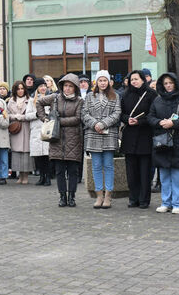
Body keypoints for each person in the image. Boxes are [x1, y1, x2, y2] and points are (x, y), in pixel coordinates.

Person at [147, 73, 179, 214]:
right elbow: (150, 117)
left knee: (177, 175)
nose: (168, 86)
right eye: (165, 83)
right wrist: (159, 122)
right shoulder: (157, 100)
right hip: (162, 141)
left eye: (170, 83)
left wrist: (172, 123)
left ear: (175, 83)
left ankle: (178, 204)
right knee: (164, 175)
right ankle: (165, 202)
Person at [36, 73, 84, 207]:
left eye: (70, 86)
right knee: (59, 171)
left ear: (75, 88)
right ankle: (62, 196)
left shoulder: (80, 101)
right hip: (56, 139)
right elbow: (39, 102)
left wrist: (58, 121)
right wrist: (44, 118)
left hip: (73, 139)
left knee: (73, 171)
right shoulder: (55, 98)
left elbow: (77, 118)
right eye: (65, 86)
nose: (67, 89)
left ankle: (72, 197)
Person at [82, 70, 120, 208]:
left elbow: (117, 113)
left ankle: (108, 196)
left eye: (105, 80)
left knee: (109, 165)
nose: (102, 83)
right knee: (96, 166)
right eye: (100, 80)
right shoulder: (89, 97)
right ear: (96, 82)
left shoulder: (115, 96)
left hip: (109, 133)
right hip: (93, 133)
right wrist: (94, 124)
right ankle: (99, 195)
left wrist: (103, 123)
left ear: (109, 82)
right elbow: (84, 113)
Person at [120, 70, 157, 208]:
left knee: (144, 172)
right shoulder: (125, 94)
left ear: (143, 80)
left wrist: (140, 121)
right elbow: (121, 113)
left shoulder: (151, 94)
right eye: (131, 79)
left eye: (136, 79)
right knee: (131, 172)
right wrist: (126, 119)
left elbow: (153, 115)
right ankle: (133, 198)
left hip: (145, 136)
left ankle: (144, 199)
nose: (134, 81)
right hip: (129, 137)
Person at [6, 81, 34, 184]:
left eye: (22, 88)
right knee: (17, 152)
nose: (20, 91)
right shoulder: (11, 101)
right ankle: (20, 176)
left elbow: (33, 114)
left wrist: (22, 117)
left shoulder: (30, 100)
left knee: (26, 152)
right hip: (15, 129)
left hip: (26, 128)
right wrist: (15, 116)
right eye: (18, 89)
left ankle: (25, 176)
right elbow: (7, 115)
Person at [29, 77, 54, 186]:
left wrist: (48, 115)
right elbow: (27, 115)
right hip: (36, 130)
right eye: (40, 86)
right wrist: (36, 114)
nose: (43, 88)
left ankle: (48, 177)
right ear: (37, 88)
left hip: (48, 128)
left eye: (44, 85)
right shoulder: (31, 100)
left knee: (47, 155)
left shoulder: (51, 98)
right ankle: (41, 177)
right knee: (38, 156)